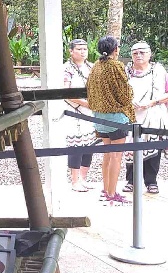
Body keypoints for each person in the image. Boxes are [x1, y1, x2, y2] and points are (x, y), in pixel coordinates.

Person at [86, 35, 134, 206]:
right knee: (116, 156)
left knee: (107, 153)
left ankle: (106, 190)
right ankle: (112, 194)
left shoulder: (95, 67)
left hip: (99, 117)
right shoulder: (116, 65)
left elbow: (89, 90)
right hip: (116, 116)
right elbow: (125, 93)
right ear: (115, 49)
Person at [124, 41, 168, 195]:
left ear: (150, 54)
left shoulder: (158, 70)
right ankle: (131, 180)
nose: (139, 55)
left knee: (153, 147)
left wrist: (151, 103)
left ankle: (151, 182)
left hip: (153, 112)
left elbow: (166, 93)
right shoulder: (126, 70)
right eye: (135, 53)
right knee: (130, 147)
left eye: (142, 52)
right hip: (132, 113)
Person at [62, 38, 96, 192]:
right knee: (76, 144)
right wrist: (85, 103)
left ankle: (83, 178)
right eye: (79, 49)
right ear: (71, 51)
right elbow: (65, 92)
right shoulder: (66, 68)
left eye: (85, 49)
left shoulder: (92, 67)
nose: (83, 52)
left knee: (89, 144)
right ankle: (74, 180)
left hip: (91, 111)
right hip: (74, 110)